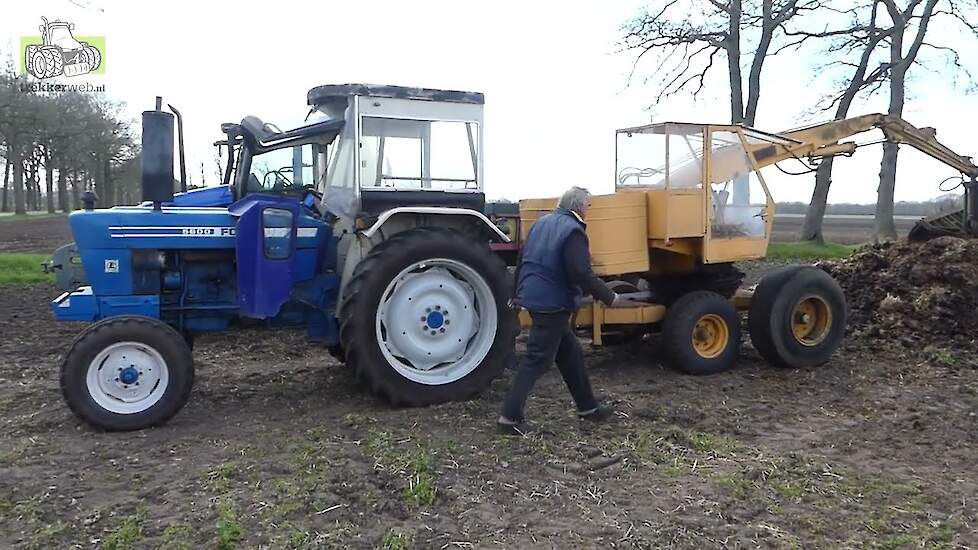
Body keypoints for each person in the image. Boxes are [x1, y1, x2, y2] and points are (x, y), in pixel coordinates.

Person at [498, 186, 640, 435]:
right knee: (536, 360)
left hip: (536, 297)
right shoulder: (573, 231)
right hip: (553, 303)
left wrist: (516, 293)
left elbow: (523, 260)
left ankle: (588, 408)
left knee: (570, 354)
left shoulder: (542, 224)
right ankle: (509, 417)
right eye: (589, 205)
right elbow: (580, 272)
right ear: (579, 206)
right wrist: (610, 297)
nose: (589, 210)